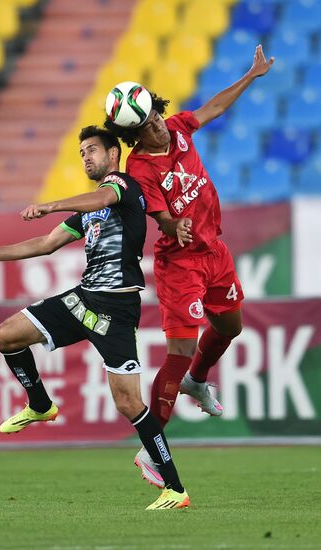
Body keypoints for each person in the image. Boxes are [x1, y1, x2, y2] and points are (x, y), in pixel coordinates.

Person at [0, 126, 189, 510]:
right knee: (6, 336)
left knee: (129, 404)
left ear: (113, 154)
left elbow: (102, 197)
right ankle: (40, 404)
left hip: (115, 308)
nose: (85, 157)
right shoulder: (90, 211)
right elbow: (45, 244)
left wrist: (51, 204)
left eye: (92, 150)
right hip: (82, 300)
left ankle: (175, 489)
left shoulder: (123, 187)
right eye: (80, 153)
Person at [104, 45, 275, 487]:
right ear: (135, 136)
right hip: (179, 263)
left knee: (230, 327)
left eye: (156, 114)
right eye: (147, 124)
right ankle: (151, 448)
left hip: (215, 251)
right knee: (179, 349)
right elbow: (158, 214)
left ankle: (198, 381)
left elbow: (214, 106)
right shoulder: (140, 167)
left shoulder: (180, 127)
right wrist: (172, 224)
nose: (158, 124)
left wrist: (251, 75)